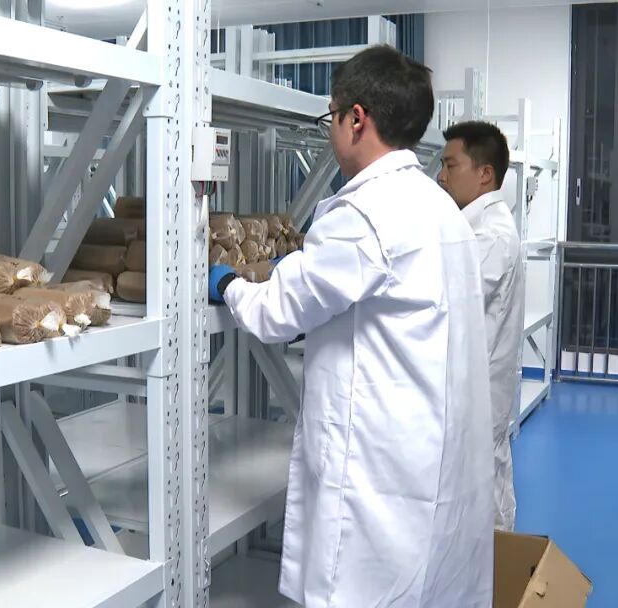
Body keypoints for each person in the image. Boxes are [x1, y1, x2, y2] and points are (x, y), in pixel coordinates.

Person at [208, 46, 494, 607]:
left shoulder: (363, 214)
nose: (331, 131)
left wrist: (228, 285)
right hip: (430, 462)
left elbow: (274, 314)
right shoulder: (439, 207)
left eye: (330, 117)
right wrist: (299, 268)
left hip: (380, 474)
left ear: (356, 119)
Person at [437, 120, 523, 531]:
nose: (441, 176)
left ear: (485, 173)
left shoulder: (492, 235)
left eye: (450, 165)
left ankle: (497, 565)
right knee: (484, 486)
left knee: (482, 501)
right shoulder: (476, 228)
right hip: (474, 393)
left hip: (479, 395)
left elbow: (446, 300)